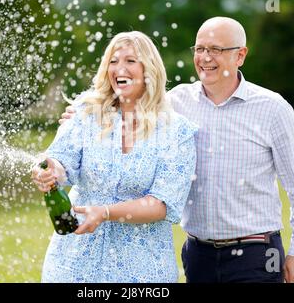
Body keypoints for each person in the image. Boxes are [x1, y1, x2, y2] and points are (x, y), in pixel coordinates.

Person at [60, 17, 294, 283]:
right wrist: (83, 115)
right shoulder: (173, 104)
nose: (205, 58)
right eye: (200, 49)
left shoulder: (272, 109)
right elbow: (129, 109)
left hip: (256, 254)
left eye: (215, 49)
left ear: (240, 55)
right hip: (198, 254)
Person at [32, 31, 198, 283]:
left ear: (148, 69)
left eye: (131, 61)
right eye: (113, 61)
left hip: (142, 268)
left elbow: (162, 204)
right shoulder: (85, 112)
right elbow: (60, 160)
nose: (120, 69)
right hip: (75, 263)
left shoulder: (176, 130)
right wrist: (50, 170)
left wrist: (106, 212)